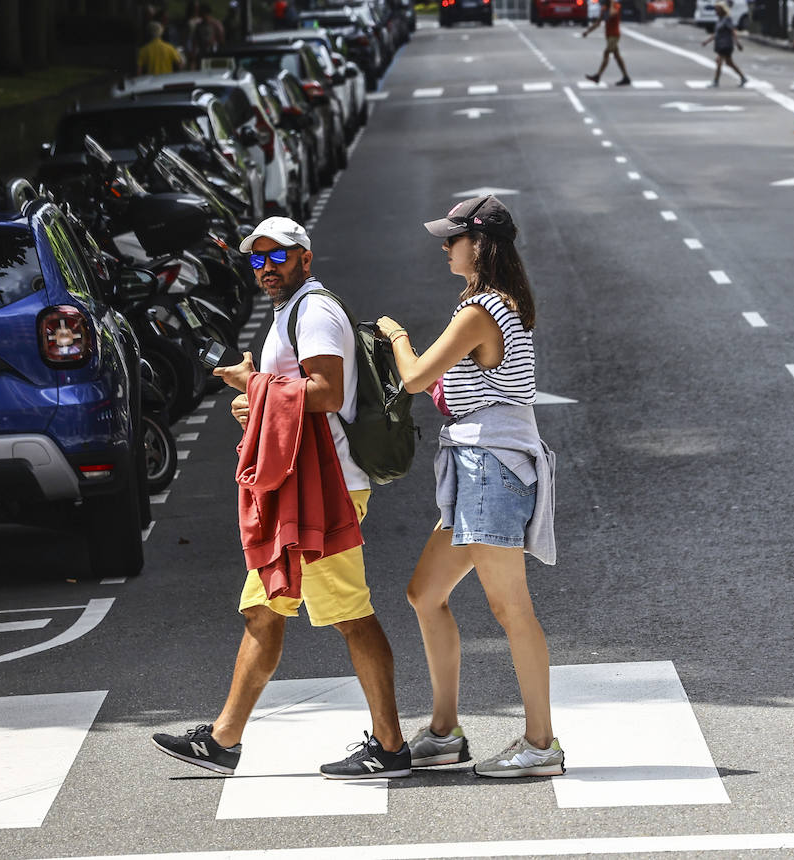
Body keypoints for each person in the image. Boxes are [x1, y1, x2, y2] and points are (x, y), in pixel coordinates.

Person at [151, 216, 410, 781]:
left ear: (305, 259)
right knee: (262, 610)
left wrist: (252, 388)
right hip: (301, 487)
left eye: (278, 257)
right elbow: (292, 398)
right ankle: (223, 740)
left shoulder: (313, 312)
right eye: (257, 260)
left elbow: (325, 391)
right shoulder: (288, 314)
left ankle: (390, 747)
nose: (267, 269)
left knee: (350, 616)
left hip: (325, 490)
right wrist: (257, 402)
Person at [374, 196, 562, 779]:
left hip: (491, 469)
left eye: (452, 238)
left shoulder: (482, 310)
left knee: (512, 609)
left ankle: (541, 743)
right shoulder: (498, 305)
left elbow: (413, 377)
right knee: (425, 593)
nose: (444, 246)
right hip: (477, 467)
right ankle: (444, 732)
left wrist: (395, 335)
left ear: (479, 244)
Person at [583, 0, 632, 87]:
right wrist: (588, 31)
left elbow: (612, 14)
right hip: (609, 35)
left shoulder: (616, 6)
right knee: (617, 57)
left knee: (606, 53)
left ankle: (598, 76)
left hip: (614, 35)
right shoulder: (604, 8)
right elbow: (598, 23)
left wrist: (612, 3)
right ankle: (626, 77)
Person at [702, 2, 747, 88]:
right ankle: (743, 77)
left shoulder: (727, 19)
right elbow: (716, 34)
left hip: (726, 45)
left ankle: (715, 81)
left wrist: (737, 43)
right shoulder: (720, 19)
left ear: (722, 10)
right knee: (729, 63)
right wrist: (707, 41)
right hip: (721, 45)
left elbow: (733, 31)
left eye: (717, 9)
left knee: (719, 62)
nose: (716, 11)